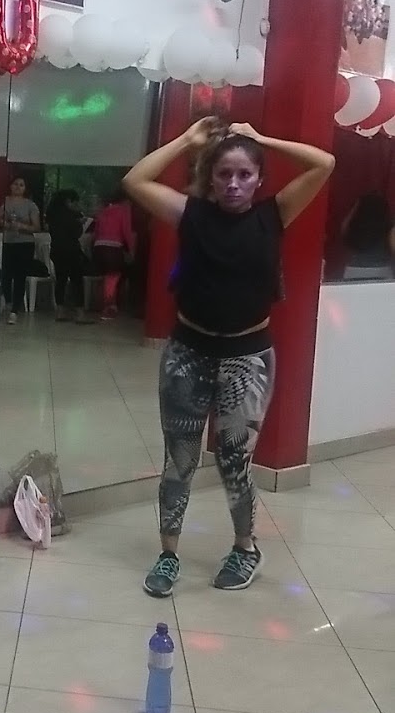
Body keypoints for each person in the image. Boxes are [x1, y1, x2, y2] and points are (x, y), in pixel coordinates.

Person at [124, 118, 335, 597]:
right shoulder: (191, 213)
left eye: (244, 174)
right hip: (188, 352)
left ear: (259, 179)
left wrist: (262, 139)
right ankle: (168, 554)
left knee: (234, 461)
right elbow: (135, 180)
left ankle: (245, 548)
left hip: (247, 357)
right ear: (211, 177)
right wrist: (187, 140)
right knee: (179, 460)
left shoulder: (273, 214)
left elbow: (324, 162)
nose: (234, 183)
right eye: (224, 174)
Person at [0, 176, 40, 323]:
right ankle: (8, 302)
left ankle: (15, 310)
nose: (18, 187)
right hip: (9, 242)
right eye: (15, 184)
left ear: (25, 188)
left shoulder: (30, 205)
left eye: (21, 185)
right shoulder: (6, 202)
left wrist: (21, 226)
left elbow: (36, 227)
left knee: (20, 276)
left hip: (25, 243)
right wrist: (7, 225)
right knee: (6, 274)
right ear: (10, 186)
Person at [91, 189, 136, 318]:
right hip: (113, 247)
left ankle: (104, 304)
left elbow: (96, 232)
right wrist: (132, 250)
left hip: (98, 246)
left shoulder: (104, 211)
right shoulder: (124, 210)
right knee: (113, 276)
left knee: (105, 276)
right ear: (126, 200)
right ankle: (108, 306)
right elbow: (126, 231)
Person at [45, 188, 87, 321]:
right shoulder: (74, 215)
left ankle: (60, 312)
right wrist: (80, 223)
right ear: (68, 201)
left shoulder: (52, 215)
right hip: (72, 250)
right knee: (77, 281)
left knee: (61, 280)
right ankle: (80, 314)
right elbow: (76, 234)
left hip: (56, 250)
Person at [340, 192, 395, 278]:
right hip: (381, 270)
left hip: (353, 270)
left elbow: (344, 230)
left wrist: (357, 207)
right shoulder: (388, 226)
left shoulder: (354, 227)